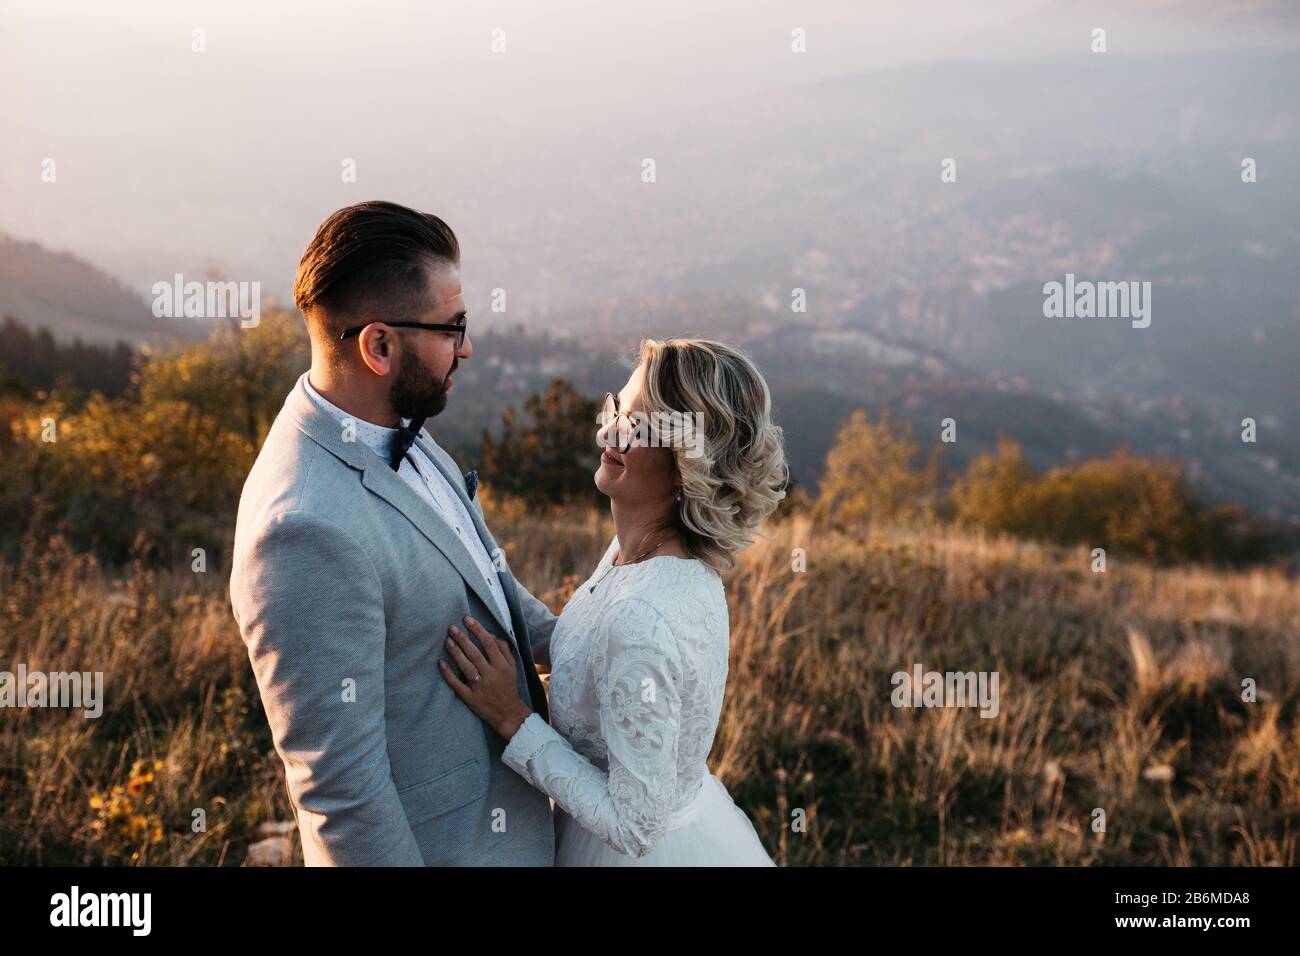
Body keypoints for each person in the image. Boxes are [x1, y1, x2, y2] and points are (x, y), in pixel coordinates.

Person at [230, 200, 556, 865]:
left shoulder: (399, 423)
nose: (467, 346)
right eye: (452, 327)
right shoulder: (303, 531)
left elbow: (495, 592)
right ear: (379, 346)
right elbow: (343, 794)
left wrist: (630, 633)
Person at [440, 338, 788, 865]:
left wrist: (512, 718)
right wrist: (484, 563)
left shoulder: (643, 617)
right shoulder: (641, 555)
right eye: (618, 409)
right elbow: (582, 647)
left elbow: (635, 826)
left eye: (638, 426)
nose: (611, 431)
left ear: (684, 462)